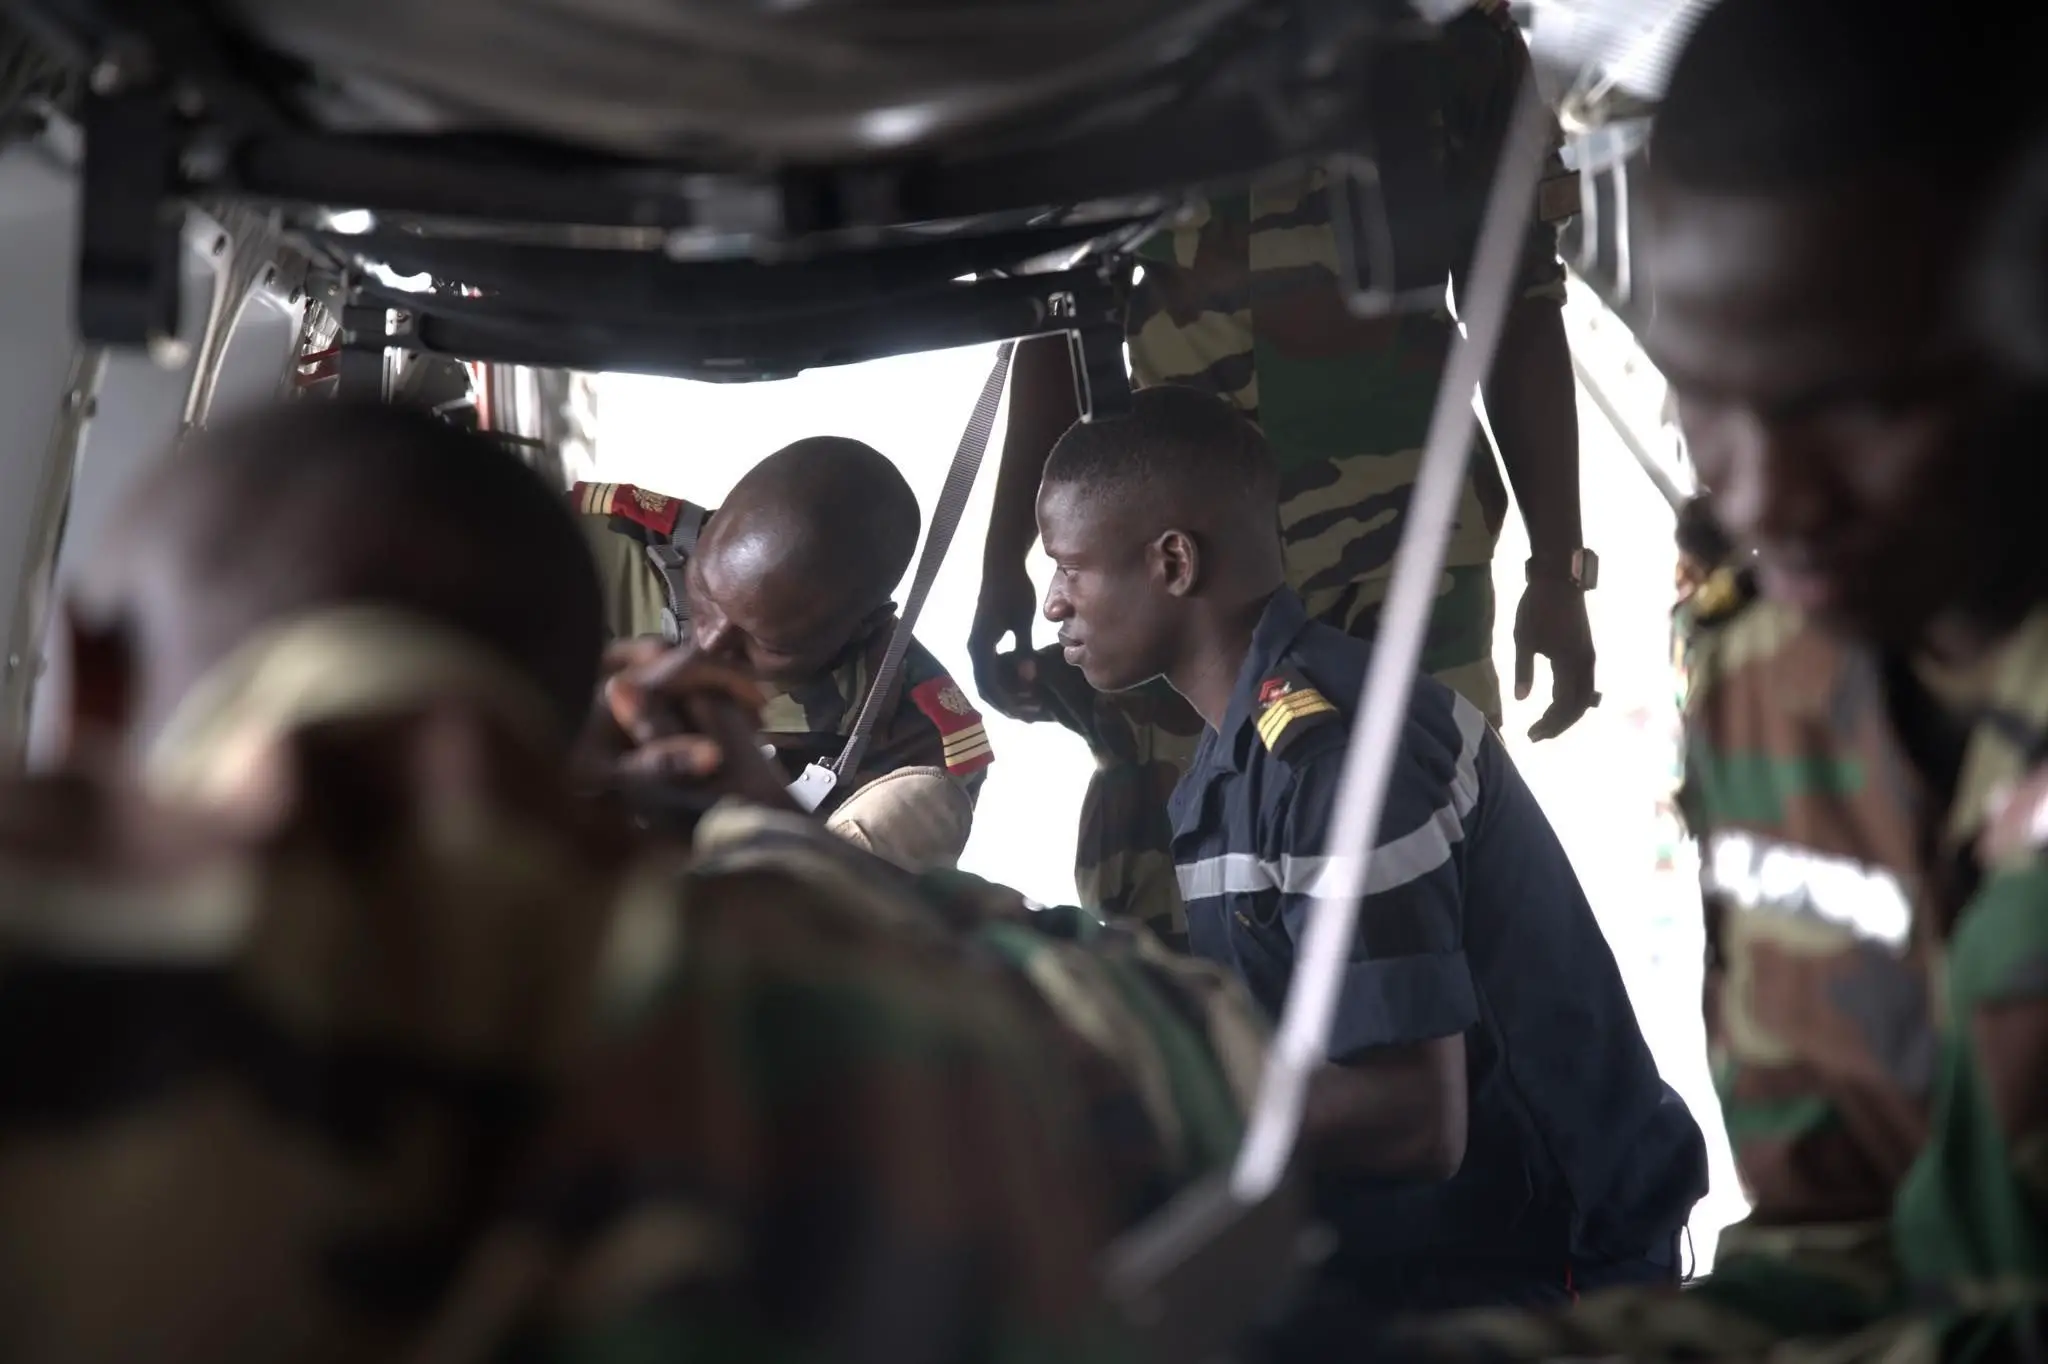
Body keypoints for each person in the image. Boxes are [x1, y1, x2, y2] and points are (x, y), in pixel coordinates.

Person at [5, 399, 1125, 1364]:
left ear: (86, 682)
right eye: (698, 608)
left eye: (761, 647)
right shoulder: (855, 1047)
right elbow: (1140, 1049)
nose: (706, 643)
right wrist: (749, 829)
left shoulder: (921, 734)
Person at [1352, 1, 2048, 1359]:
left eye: (1860, 402)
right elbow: (1837, 1253)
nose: (1771, 498)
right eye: (1706, 397)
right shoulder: (1777, 667)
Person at [1034, 382, 1706, 1312]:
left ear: (1174, 562)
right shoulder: (1247, 751)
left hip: (1552, 1263)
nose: (1051, 605)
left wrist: (1141, 1111)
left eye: (1069, 568)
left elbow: (1417, 1122)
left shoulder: (1335, 762)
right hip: (1441, 1239)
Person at [969, 0, 1594, 935]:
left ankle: (1421, 1079)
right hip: (1173, 558)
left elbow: (1519, 307)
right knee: (1174, 892)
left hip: (1404, 543)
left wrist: (1560, 568)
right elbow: (1058, 319)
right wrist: (1002, 563)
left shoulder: (1452, 43)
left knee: (1424, 863)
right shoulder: (1108, 44)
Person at [573, 435, 993, 819]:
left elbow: (872, 894)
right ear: (713, 523)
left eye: (766, 644)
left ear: (863, 628)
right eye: (704, 589)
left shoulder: (916, 744)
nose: (708, 644)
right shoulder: (590, 545)